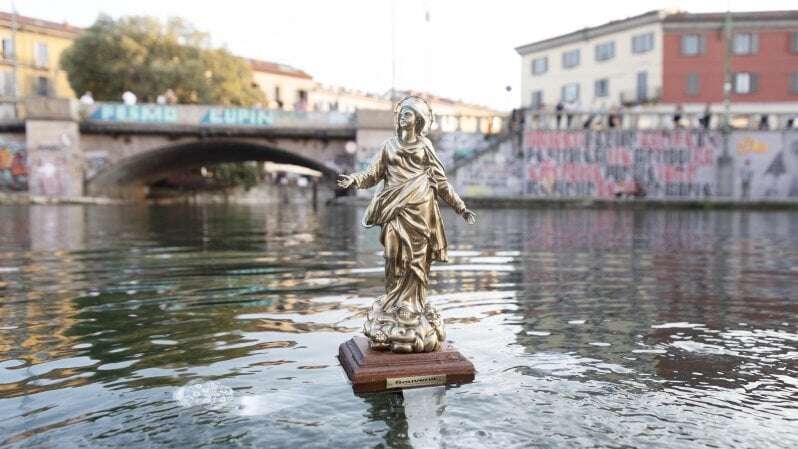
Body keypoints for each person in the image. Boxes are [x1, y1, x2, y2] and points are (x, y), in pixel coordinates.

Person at [337, 96, 477, 353]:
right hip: (394, 208)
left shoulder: (425, 147)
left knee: (417, 260)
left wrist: (460, 207)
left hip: (420, 210)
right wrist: (355, 180)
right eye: (402, 112)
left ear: (419, 120)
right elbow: (372, 174)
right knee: (392, 255)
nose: (404, 116)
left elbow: (442, 182)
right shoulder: (388, 146)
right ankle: (393, 303)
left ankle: (412, 305)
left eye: (409, 114)